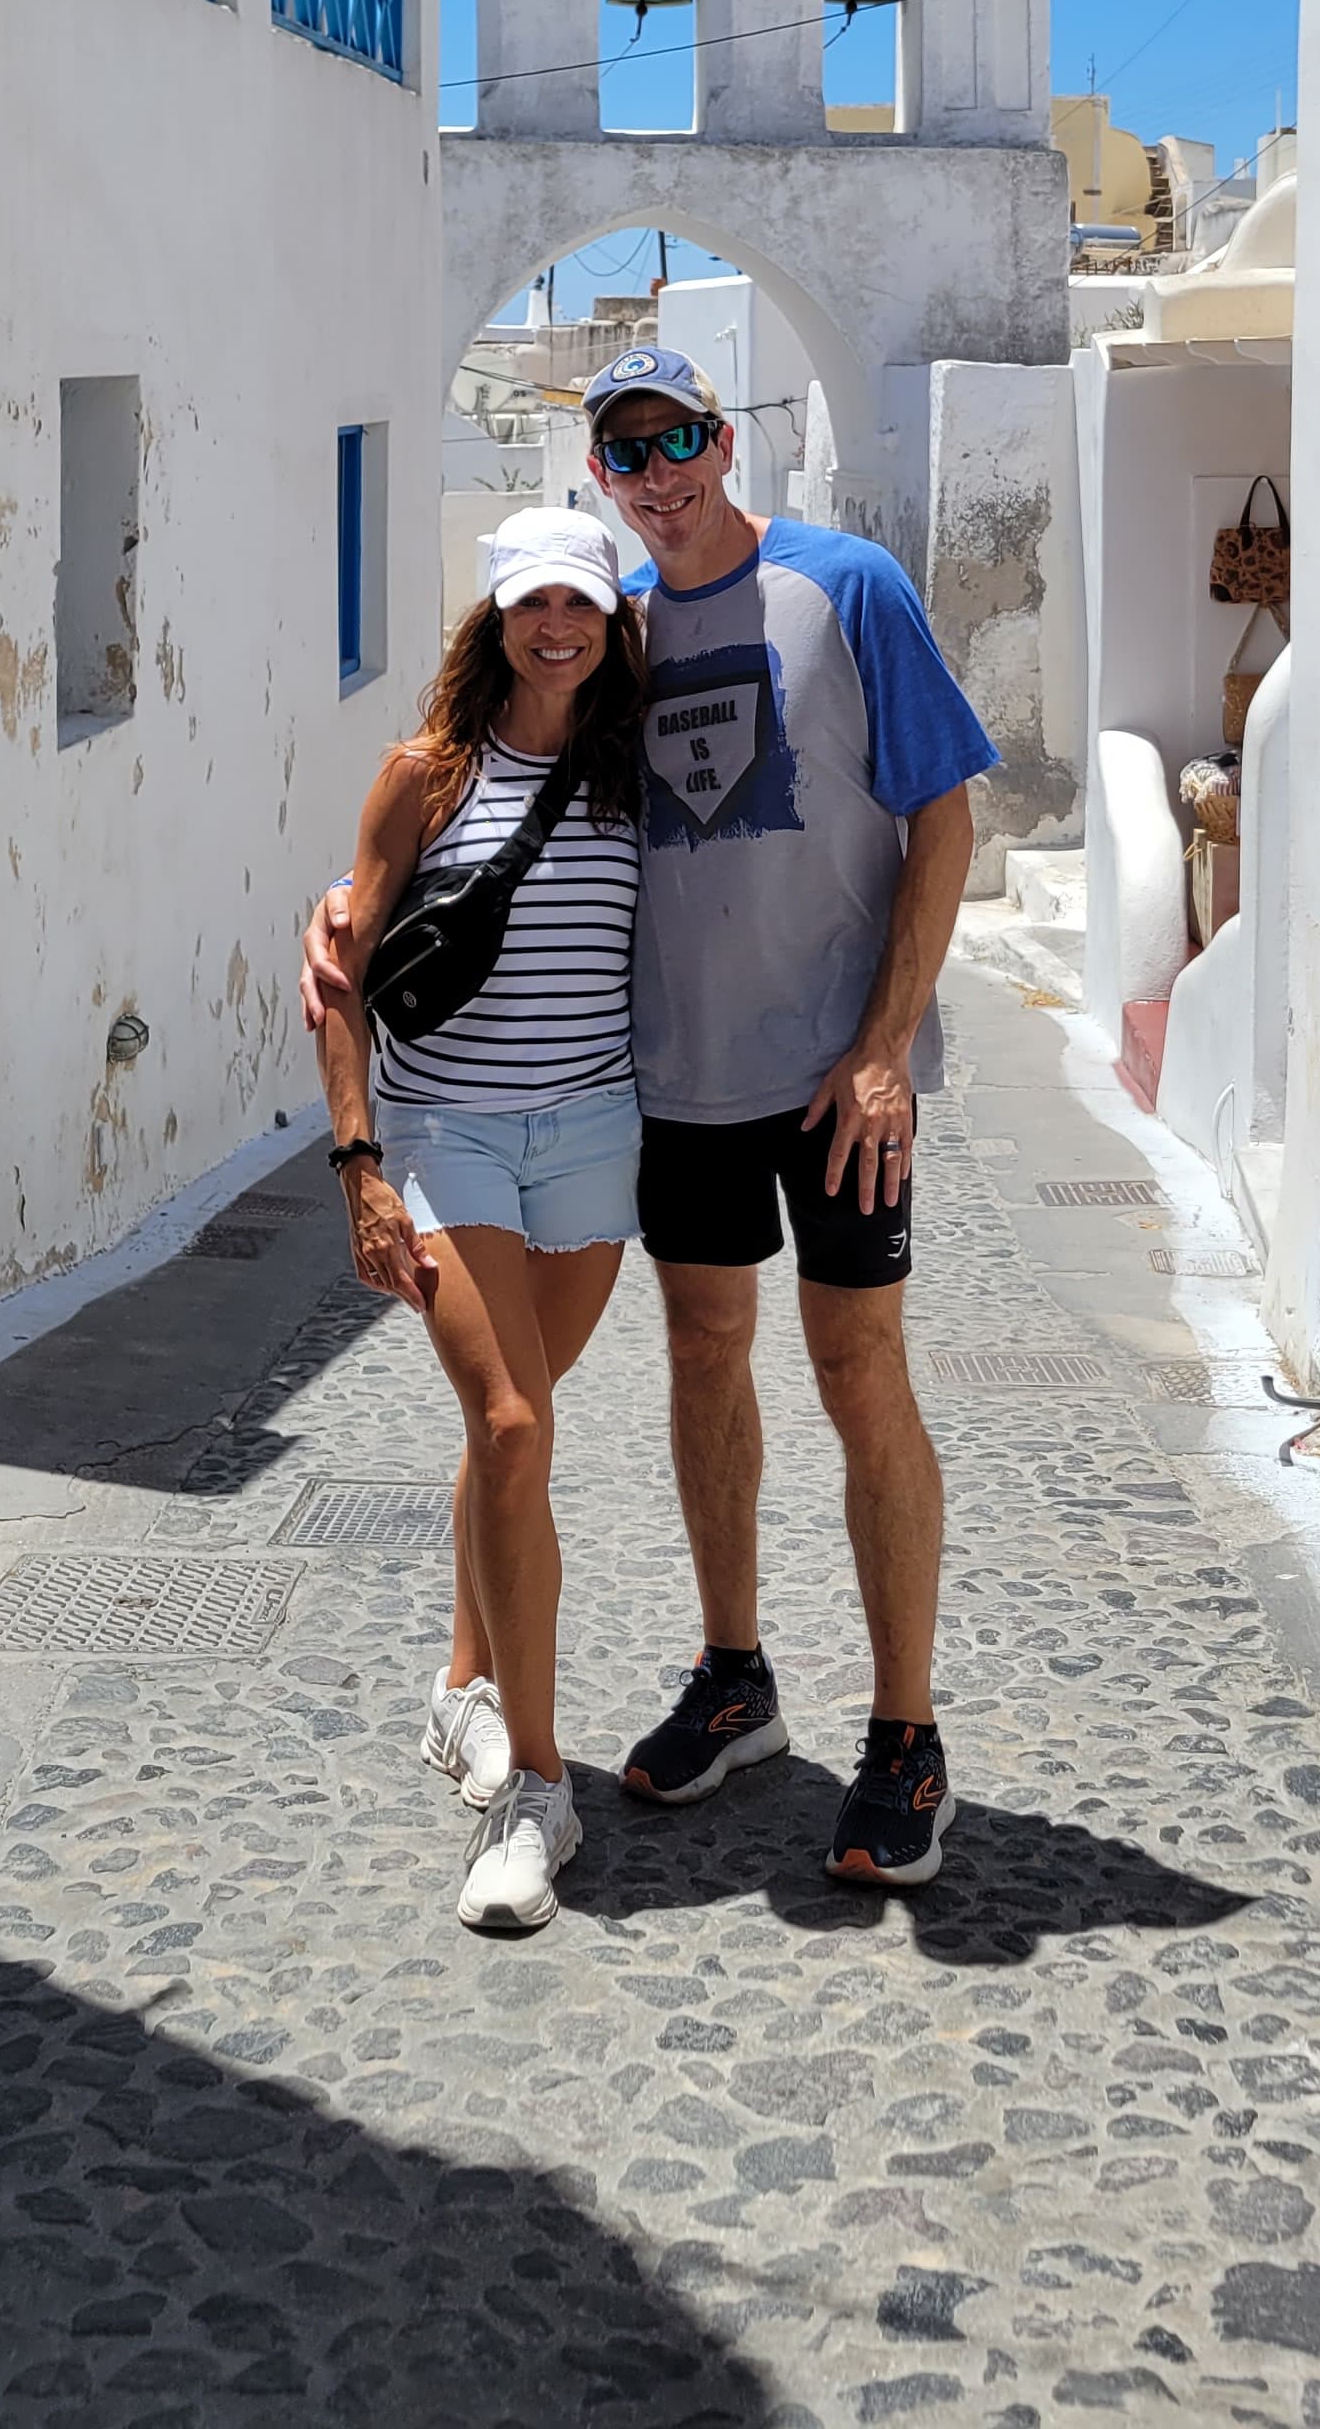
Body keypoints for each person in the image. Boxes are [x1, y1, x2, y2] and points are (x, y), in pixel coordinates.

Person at [311, 349, 995, 1889]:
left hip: (835, 1082)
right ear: (605, 484)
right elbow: (484, 807)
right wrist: (343, 915)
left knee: (858, 1371)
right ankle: (733, 1671)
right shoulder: (616, 645)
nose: (660, 468)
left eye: (681, 436)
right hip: (672, 1092)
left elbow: (945, 816)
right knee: (703, 1358)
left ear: (725, 440)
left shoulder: (851, 586)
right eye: (628, 450)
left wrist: (886, 1046)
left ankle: (906, 1735)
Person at [313, 503, 649, 1936]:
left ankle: (461, 1689)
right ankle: (540, 1796)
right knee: (514, 1429)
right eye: (534, 607)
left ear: (610, 624)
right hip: (449, 1140)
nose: (558, 628)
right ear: (495, 620)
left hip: (595, 1140)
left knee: (510, 1430)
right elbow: (340, 968)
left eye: (582, 605)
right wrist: (360, 1162)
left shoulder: (639, 770)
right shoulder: (428, 775)